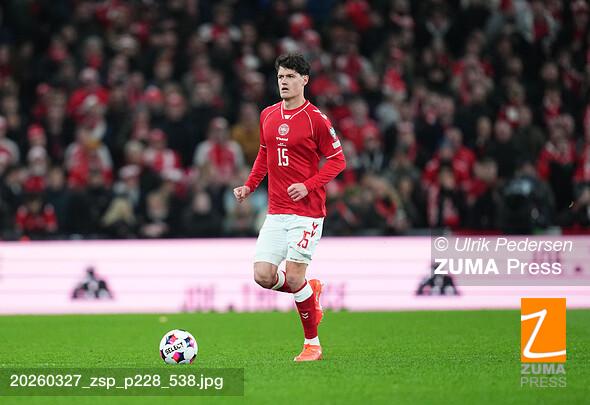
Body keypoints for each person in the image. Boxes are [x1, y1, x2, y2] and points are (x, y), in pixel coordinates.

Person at [233, 54, 346, 361]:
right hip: (276, 211)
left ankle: (312, 345)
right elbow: (264, 153)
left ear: (304, 80)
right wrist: (249, 185)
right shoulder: (268, 114)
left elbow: (337, 160)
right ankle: (310, 291)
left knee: (294, 277)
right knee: (263, 276)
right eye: (281, 76)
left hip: (307, 213)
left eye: (290, 76)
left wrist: (308, 185)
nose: (284, 82)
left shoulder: (316, 119)